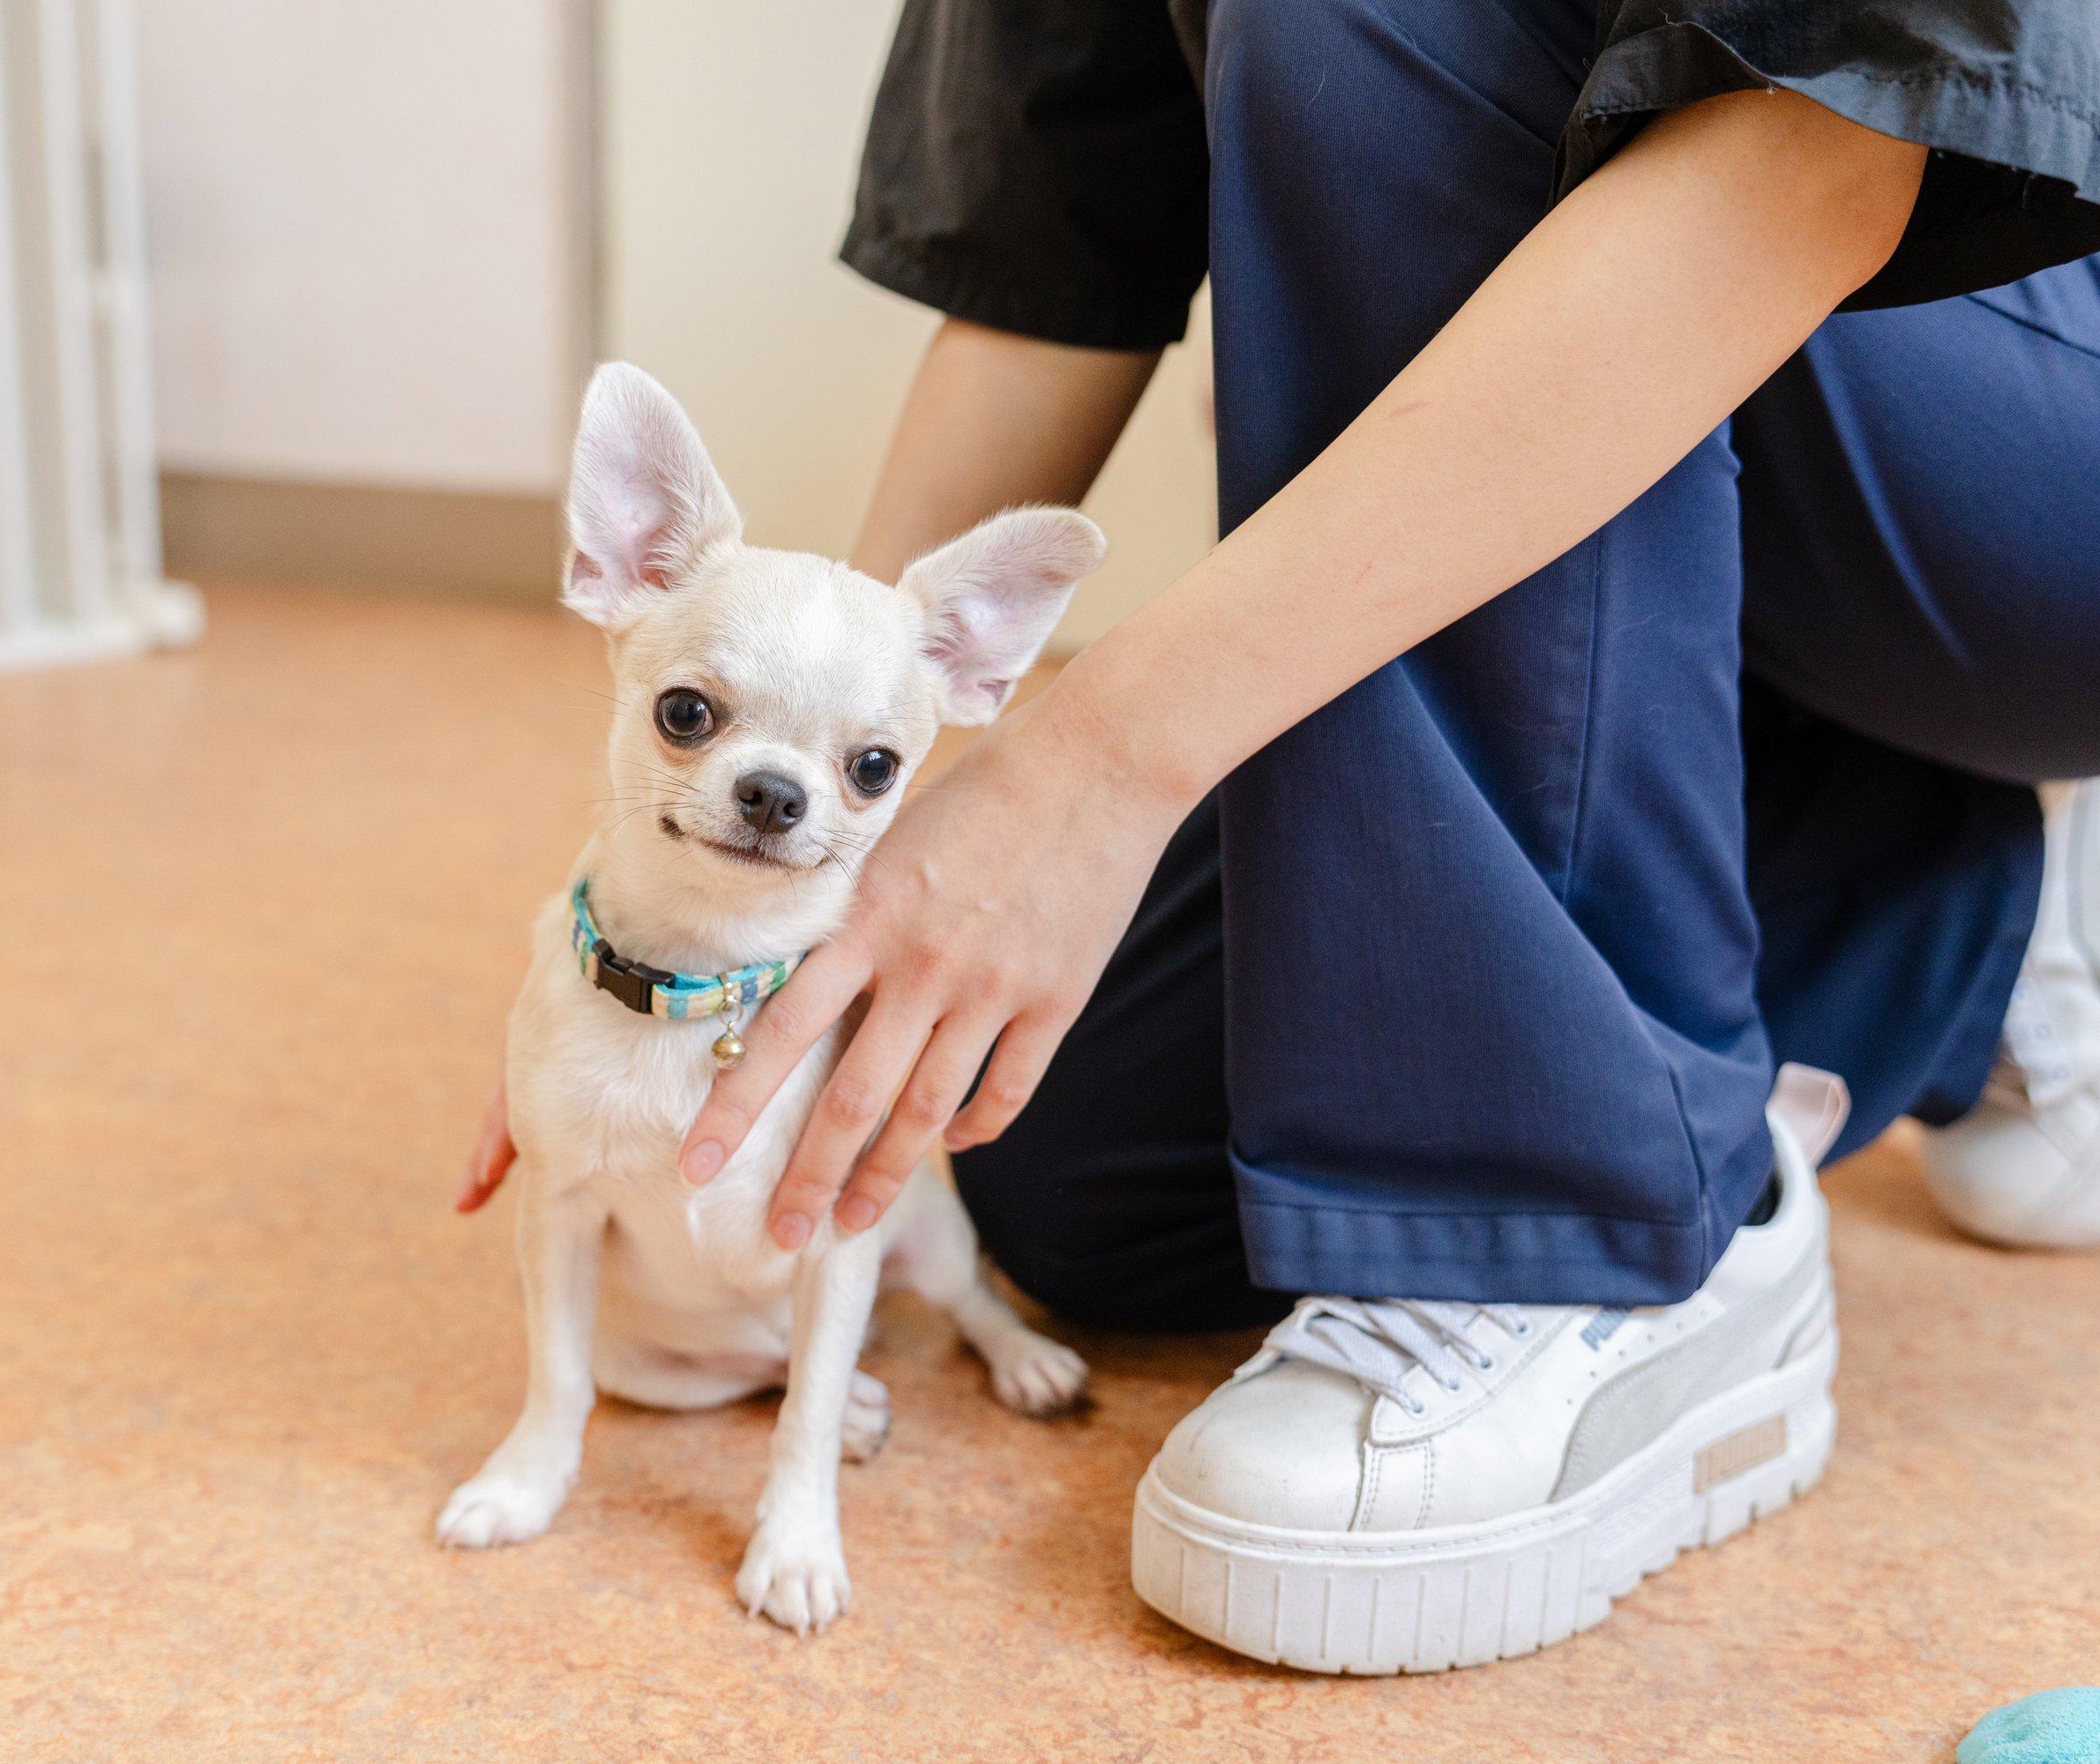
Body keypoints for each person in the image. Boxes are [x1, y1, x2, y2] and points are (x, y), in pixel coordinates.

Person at [467, 0, 2100, 1669]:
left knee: (1383, 22)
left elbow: (1827, 144)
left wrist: (1095, 763)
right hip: (1735, 520)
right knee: (1053, 1158)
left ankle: (1581, 1219)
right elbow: (1053, 245)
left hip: (2010, 349)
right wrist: (734, 924)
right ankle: (1952, 903)